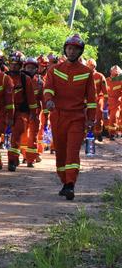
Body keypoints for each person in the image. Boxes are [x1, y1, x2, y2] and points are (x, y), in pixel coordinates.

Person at [43, 34, 96, 200]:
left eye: (75, 49)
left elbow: (92, 100)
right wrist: (49, 100)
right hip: (58, 116)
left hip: (77, 117)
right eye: (69, 48)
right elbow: (48, 88)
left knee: (72, 151)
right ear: (65, 49)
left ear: (80, 52)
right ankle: (64, 181)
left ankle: (70, 184)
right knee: (61, 153)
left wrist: (90, 119)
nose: (72, 52)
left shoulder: (87, 73)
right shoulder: (54, 70)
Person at [6, 51, 37, 172]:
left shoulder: (25, 79)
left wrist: (33, 114)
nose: (13, 66)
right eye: (12, 64)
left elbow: (31, 98)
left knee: (16, 136)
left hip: (21, 113)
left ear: (20, 65)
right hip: (5, 112)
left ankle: (12, 160)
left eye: (16, 64)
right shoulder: (5, 77)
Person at [21, 57, 42, 167]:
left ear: (36, 69)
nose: (30, 70)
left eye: (32, 68)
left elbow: (43, 97)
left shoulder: (39, 82)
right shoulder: (20, 80)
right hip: (23, 112)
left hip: (36, 113)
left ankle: (30, 159)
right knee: (23, 135)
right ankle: (25, 155)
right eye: (28, 67)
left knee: (33, 136)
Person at [86, 59, 108, 141]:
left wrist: (105, 101)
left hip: (99, 99)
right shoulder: (85, 75)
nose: (88, 67)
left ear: (94, 66)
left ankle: (98, 133)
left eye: (90, 65)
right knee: (87, 117)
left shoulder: (100, 76)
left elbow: (105, 90)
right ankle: (88, 134)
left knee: (98, 118)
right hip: (88, 100)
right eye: (87, 65)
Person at [106, 65, 122, 139]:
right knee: (106, 118)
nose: (116, 72)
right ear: (111, 71)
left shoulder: (120, 81)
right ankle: (107, 131)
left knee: (114, 117)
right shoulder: (106, 80)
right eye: (115, 70)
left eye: (117, 70)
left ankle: (112, 134)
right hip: (107, 102)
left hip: (116, 102)